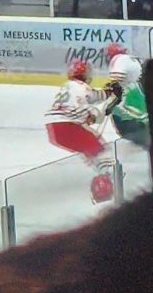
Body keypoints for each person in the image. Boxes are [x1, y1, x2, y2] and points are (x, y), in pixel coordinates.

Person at [45, 60, 122, 203]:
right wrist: (111, 93)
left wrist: (108, 95)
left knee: (89, 150)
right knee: (100, 148)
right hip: (67, 125)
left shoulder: (67, 86)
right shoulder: (82, 87)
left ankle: (103, 178)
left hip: (53, 128)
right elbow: (94, 99)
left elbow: (88, 104)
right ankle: (104, 185)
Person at [105, 44, 150, 148]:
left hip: (136, 91)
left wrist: (112, 99)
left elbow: (117, 80)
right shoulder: (132, 60)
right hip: (143, 88)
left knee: (125, 112)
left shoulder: (119, 60)